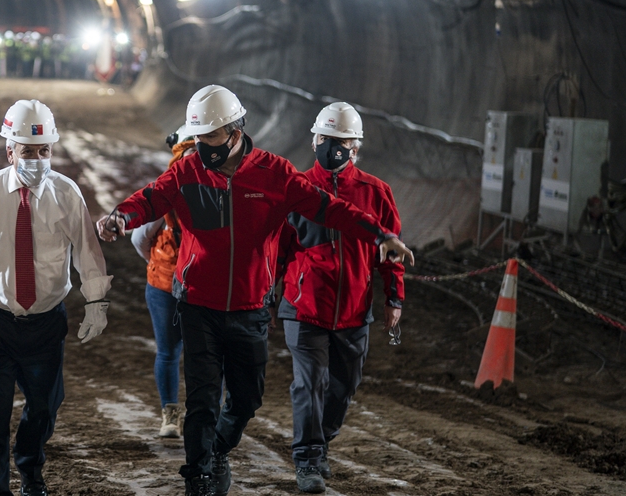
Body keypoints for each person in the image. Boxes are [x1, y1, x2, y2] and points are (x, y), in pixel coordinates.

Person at [96, 85, 413, 496]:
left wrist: (379, 235)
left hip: (250, 308)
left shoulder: (275, 174)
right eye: (197, 139)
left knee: (247, 399)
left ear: (233, 131)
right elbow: (150, 199)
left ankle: (219, 451)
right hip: (197, 305)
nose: (201, 146)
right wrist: (120, 217)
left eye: (209, 138)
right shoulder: (187, 171)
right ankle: (199, 477)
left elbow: (329, 208)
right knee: (203, 401)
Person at [0, 99, 113, 496]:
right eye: (28, 151)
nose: (36, 159)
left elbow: (88, 250)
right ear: (9, 150)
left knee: (45, 407)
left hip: (47, 322)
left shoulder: (67, 194)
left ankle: (30, 467)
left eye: (44, 151)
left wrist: (96, 299)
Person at [274, 103, 404, 493]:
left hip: (353, 307)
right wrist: (266, 291)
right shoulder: (296, 189)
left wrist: (394, 298)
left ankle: (322, 440)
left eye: (341, 142)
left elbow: (391, 253)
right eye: (325, 140)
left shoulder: (376, 193)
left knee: (344, 386)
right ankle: (308, 460)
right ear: (314, 139)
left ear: (355, 148)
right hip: (304, 306)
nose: (331, 147)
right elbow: (278, 247)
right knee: (308, 383)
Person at [129, 125, 195, 438]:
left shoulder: (166, 188)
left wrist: (158, 264)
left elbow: (140, 238)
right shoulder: (226, 187)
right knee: (206, 354)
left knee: (168, 351)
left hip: (164, 284)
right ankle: (203, 415)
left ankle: (170, 415)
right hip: (204, 287)